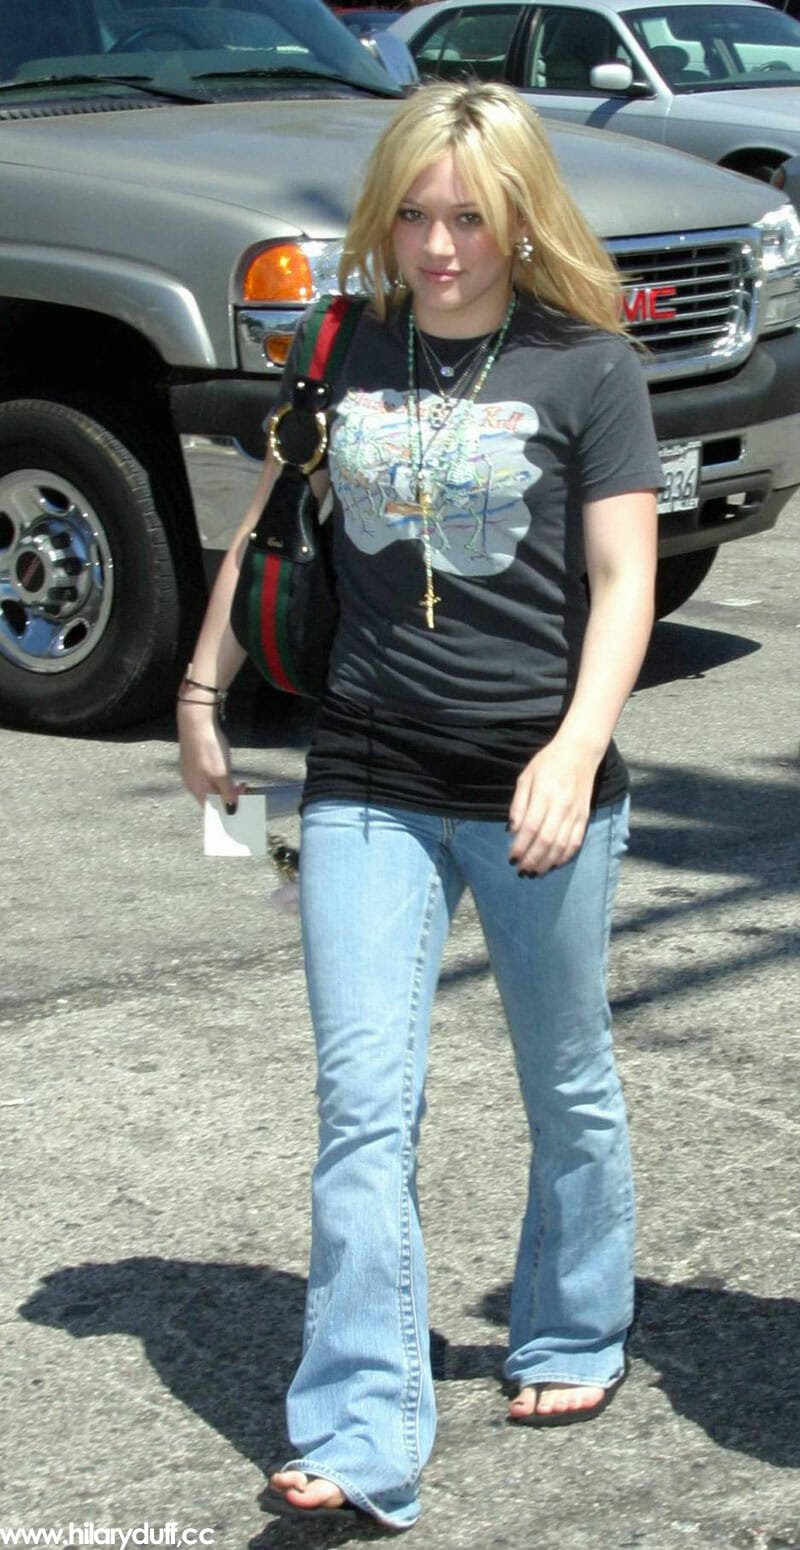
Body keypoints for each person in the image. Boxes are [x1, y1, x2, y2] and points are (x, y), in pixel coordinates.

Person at [178, 79, 661, 1532]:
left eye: (471, 218)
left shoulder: (590, 366)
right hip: (368, 771)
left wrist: (574, 748)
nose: (440, 246)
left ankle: (573, 1324)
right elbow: (270, 524)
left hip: (534, 779)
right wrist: (201, 692)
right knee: (362, 1104)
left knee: (564, 1077)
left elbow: (626, 583)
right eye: (415, 214)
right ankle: (361, 1425)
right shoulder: (344, 344)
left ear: (524, 219)